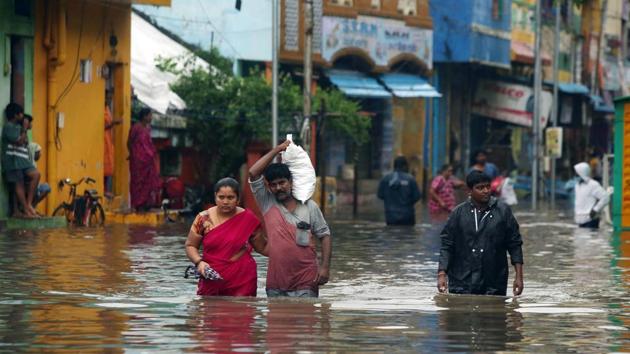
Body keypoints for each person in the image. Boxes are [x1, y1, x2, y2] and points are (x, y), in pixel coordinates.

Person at [248, 140, 332, 298]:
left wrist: (325, 267)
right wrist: (277, 150)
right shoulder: (267, 203)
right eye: (273, 185)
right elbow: (253, 173)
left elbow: (325, 236)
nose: (278, 188)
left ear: (291, 182)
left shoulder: (309, 206)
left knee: (306, 321)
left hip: (306, 280)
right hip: (276, 283)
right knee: (277, 322)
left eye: (282, 183)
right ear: (269, 187)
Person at [437, 170, 524, 296]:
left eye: (488, 187)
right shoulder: (458, 214)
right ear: (469, 191)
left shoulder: (503, 212)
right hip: (462, 281)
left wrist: (519, 277)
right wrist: (441, 274)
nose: (485, 191)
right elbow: (447, 245)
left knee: (492, 313)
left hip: (493, 281)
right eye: (480, 188)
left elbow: (515, 244)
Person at [184, 177, 267, 296]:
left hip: (242, 278)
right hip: (211, 277)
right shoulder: (203, 219)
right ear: (215, 197)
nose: (225, 202)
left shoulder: (248, 218)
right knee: (209, 312)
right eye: (221, 197)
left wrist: (290, 250)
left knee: (242, 312)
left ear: (238, 199)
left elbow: (263, 247)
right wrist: (199, 262)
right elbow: (190, 245)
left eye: (230, 197)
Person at [2, 103, 39, 218]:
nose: (22, 116)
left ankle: (28, 205)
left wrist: (24, 129)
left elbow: (24, 141)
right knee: (19, 185)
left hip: (22, 162)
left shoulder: (19, 128)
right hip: (13, 162)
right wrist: (24, 128)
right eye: (21, 114)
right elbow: (19, 141)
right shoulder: (9, 127)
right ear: (15, 115)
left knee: (36, 174)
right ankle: (26, 210)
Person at [127, 108, 161, 211]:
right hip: (138, 161)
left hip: (148, 161)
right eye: (150, 115)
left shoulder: (148, 128)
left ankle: (146, 203)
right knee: (137, 182)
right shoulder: (136, 128)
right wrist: (133, 154)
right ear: (144, 116)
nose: (151, 118)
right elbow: (129, 142)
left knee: (148, 182)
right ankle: (138, 204)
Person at [377, 156, 421, 225]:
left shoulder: (385, 179)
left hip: (390, 216)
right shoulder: (410, 179)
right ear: (405, 166)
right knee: (407, 234)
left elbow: (380, 195)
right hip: (407, 215)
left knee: (391, 234)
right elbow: (417, 197)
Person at [573, 162, 610, 229]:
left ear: (581, 173)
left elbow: (605, 197)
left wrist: (595, 210)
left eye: (576, 173)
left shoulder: (593, 185)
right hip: (580, 220)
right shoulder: (577, 185)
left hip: (590, 220)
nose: (575, 175)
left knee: (590, 238)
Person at [104, 91, 122, 197]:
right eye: (107, 98)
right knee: (103, 166)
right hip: (102, 140)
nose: (109, 100)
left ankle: (106, 189)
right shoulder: (100, 108)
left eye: (110, 98)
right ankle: (103, 189)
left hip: (108, 140)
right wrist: (113, 124)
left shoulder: (107, 109)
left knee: (109, 166)